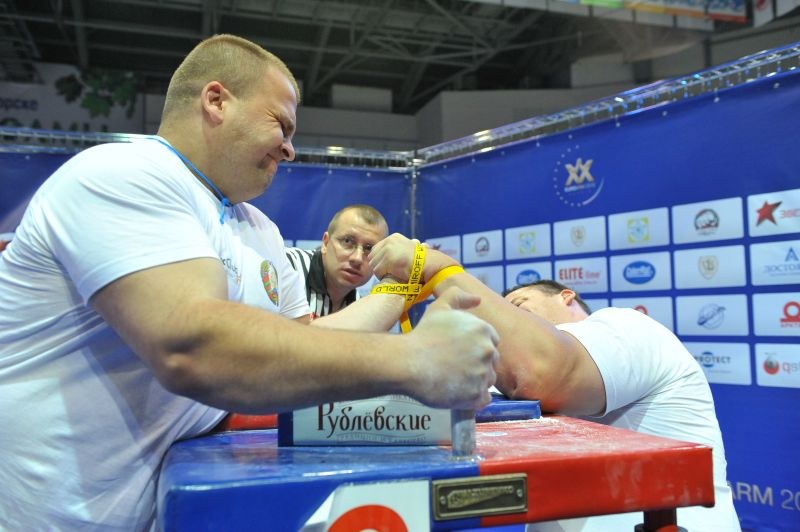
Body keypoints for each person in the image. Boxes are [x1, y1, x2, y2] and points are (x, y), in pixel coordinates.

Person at [0, 34, 500, 530]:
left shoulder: (260, 230)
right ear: (216, 101)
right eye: (281, 124)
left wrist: (409, 284)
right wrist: (419, 360)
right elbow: (194, 345)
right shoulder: (122, 174)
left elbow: (305, 349)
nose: (290, 149)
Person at [369, 234, 741, 531]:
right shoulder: (505, 380)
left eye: (519, 305)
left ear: (567, 297)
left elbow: (542, 371)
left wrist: (437, 268)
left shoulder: (626, 327)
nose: (506, 319)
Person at [286, 204, 388, 318]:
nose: (357, 258)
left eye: (369, 248)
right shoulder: (287, 266)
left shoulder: (358, 310)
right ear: (325, 243)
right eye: (347, 241)